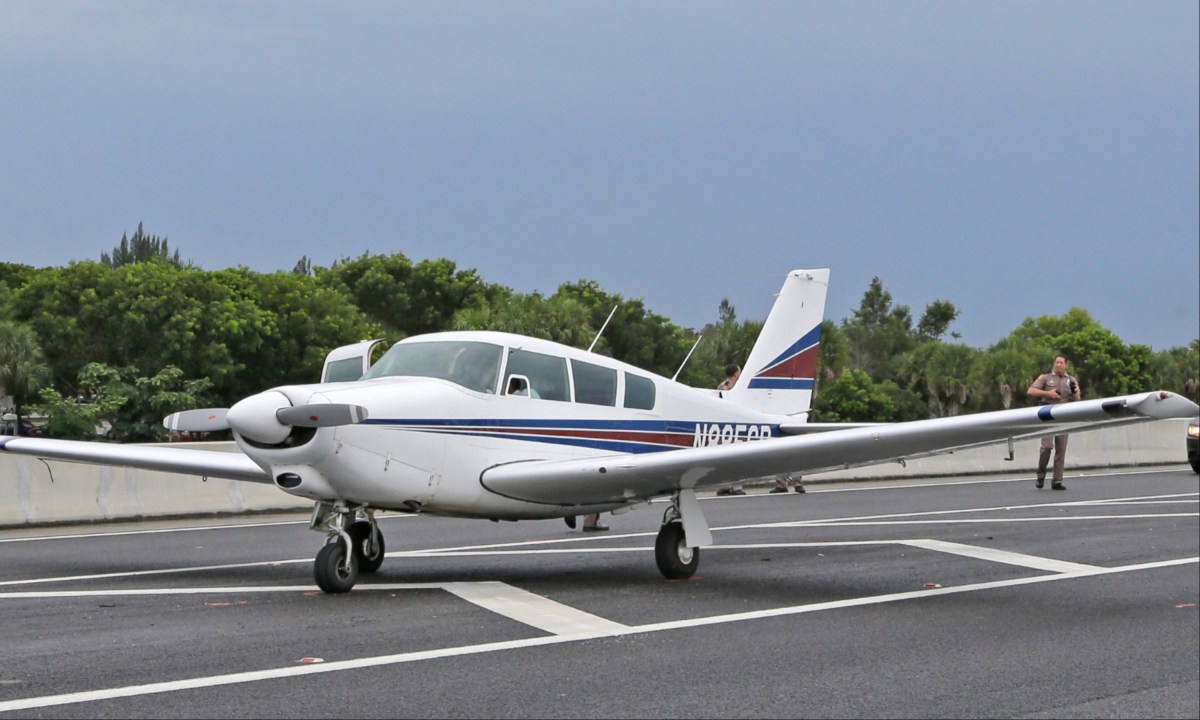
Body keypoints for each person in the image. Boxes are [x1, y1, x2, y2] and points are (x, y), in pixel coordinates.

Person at [1027, 354, 1081, 490]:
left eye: (1061, 363)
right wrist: (1048, 394)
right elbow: (1031, 391)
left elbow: (1077, 400)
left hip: (1063, 418)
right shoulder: (1045, 377)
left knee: (1061, 450)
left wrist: (1075, 391)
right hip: (1048, 416)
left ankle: (1057, 480)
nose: (1058, 365)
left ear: (1066, 365)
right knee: (1046, 447)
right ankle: (1041, 474)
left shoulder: (1071, 380)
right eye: (1057, 362)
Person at [715, 363, 746, 496]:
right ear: (736, 374)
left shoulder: (721, 385)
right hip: (735, 426)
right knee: (737, 457)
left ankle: (724, 486)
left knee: (724, 458)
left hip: (724, 427)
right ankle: (736, 487)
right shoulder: (733, 387)